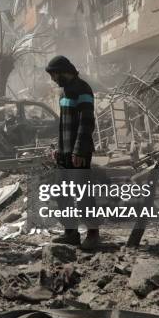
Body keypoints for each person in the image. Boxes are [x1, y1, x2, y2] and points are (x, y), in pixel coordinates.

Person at [45, 55, 99, 250]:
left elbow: (86, 123)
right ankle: (71, 233)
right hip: (65, 153)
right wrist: (58, 149)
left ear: (63, 71)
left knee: (83, 195)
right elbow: (63, 126)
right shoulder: (63, 94)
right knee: (61, 193)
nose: (53, 79)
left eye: (54, 75)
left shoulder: (83, 89)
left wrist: (78, 151)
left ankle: (93, 234)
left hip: (80, 153)